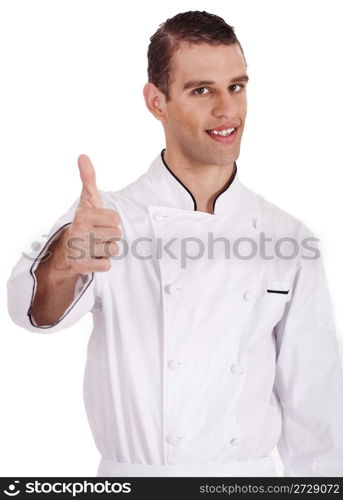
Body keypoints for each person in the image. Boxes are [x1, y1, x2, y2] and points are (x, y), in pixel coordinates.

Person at [7, 10, 343, 477]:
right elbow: (32, 314)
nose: (227, 109)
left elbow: (317, 407)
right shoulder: (109, 218)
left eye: (237, 86)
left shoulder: (288, 238)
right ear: (156, 101)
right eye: (202, 90)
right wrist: (65, 259)